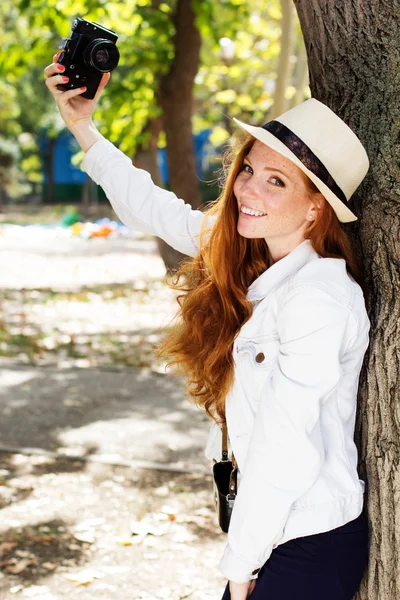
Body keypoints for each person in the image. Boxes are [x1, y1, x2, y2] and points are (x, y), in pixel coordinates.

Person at [44, 53, 371, 600]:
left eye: (276, 181)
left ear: (316, 209)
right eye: (248, 169)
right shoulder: (248, 256)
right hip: (274, 529)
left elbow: (285, 450)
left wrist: (239, 571)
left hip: (309, 536)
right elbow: (152, 207)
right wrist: (82, 125)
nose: (248, 190)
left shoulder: (319, 299)